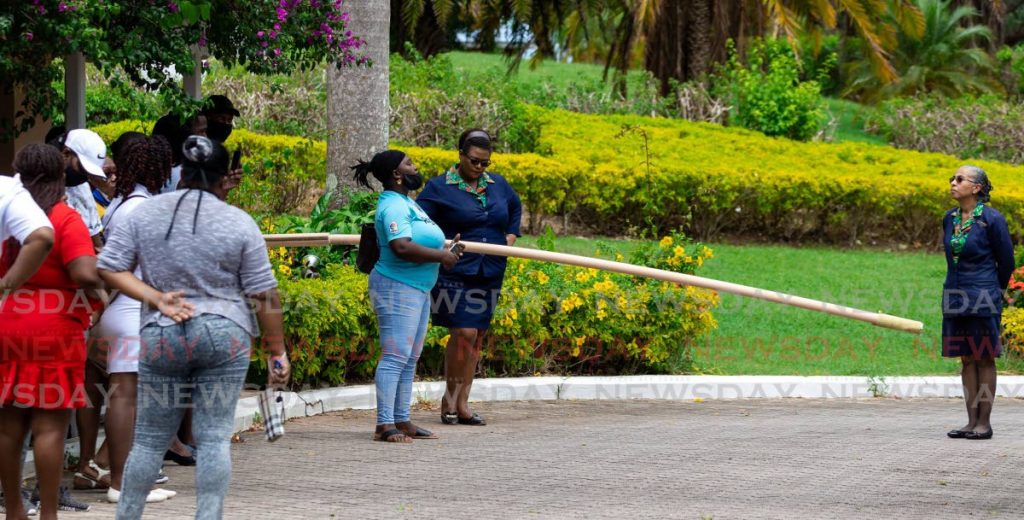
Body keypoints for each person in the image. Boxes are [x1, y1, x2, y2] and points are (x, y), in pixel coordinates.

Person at [98, 135, 290, 519]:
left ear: (181, 173)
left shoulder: (144, 214)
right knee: (215, 438)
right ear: (224, 180)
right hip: (225, 332)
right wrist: (277, 352)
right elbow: (265, 295)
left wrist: (155, 298)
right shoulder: (239, 222)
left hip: (162, 331)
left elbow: (107, 267)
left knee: (149, 441)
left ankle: (127, 514)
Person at [0, 144, 103, 519]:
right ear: (61, 176)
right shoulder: (64, 218)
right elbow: (83, 272)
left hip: (9, 320)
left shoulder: (11, 212)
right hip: (55, 327)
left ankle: (13, 510)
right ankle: (48, 514)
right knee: (49, 426)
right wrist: (104, 288)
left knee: (10, 424)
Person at [353, 150, 463, 443]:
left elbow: (418, 240)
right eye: (409, 163)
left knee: (410, 357)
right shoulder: (393, 206)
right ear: (397, 175)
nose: (416, 167)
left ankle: (401, 419)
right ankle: (384, 425)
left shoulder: (407, 203)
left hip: (417, 287)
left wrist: (446, 250)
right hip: (395, 286)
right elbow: (401, 246)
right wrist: (441, 256)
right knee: (395, 356)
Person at [91, 135, 178, 504]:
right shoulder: (141, 209)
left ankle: (102, 466)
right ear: (155, 168)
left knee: (132, 398)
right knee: (126, 398)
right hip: (131, 312)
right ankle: (121, 484)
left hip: (122, 311)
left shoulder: (120, 204)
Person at [416, 128, 521, 426]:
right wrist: (443, 243)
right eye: (474, 161)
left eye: (485, 163)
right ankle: (449, 400)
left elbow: (514, 207)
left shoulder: (498, 185)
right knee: (463, 334)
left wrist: (510, 237)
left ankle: (463, 404)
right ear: (460, 154)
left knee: (477, 339)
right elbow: (420, 221)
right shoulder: (438, 187)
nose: (479, 167)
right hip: (456, 272)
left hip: (490, 271)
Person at [942, 165, 1014, 441]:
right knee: (966, 358)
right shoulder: (949, 218)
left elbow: (1006, 260)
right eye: (952, 178)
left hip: (983, 296)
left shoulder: (992, 220)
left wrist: (994, 289)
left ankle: (984, 423)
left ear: (977, 188)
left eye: (960, 179)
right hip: (955, 295)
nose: (953, 182)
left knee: (983, 357)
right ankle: (970, 421)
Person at [54, 129, 108, 251]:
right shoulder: (41, 188)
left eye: (89, 172)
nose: (85, 176)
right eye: (83, 169)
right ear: (66, 153)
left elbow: (96, 240)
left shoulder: (82, 186)